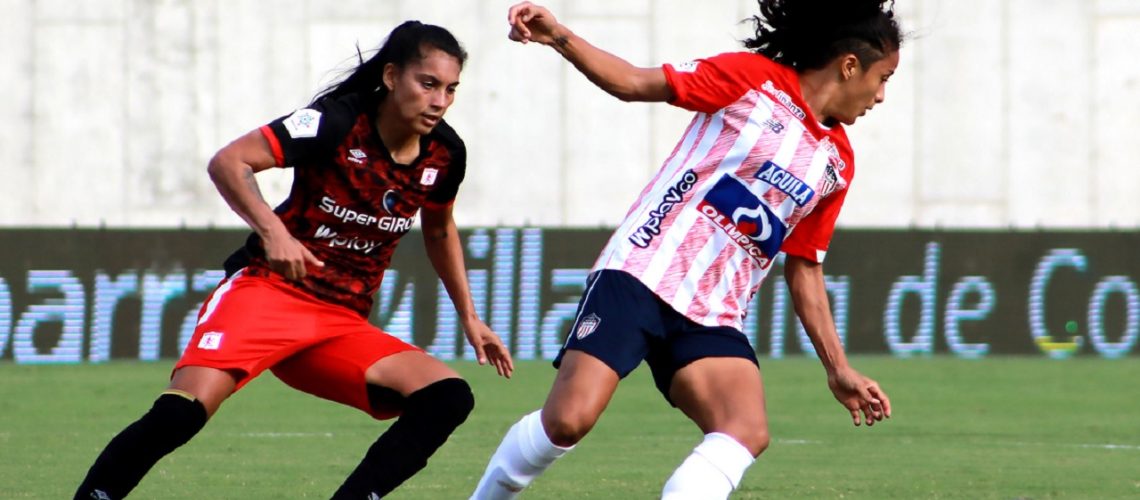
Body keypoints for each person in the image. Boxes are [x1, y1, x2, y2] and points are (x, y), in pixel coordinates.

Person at [472, 0, 901, 498]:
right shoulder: (751, 80)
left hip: (714, 313)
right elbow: (633, 83)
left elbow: (804, 267)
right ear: (850, 66)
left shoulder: (836, 162)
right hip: (642, 272)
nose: (883, 95)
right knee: (567, 422)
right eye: (883, 77)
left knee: (745, 430)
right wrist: (558, 36)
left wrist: (838, 368)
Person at [75, 20, 513, 499]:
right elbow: (229, 162)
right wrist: (274, 232)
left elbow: (439, 228)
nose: (439, 101)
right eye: (427, 84)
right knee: (180, 413)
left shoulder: (446, 154)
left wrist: (470, 317)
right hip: (266, 293)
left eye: (450, 89)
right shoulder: (335, 122)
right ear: (391, 76)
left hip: (340, 323)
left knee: (447, 398)